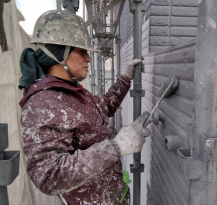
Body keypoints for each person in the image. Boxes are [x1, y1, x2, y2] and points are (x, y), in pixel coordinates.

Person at [19, 10, 150, 205]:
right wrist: (116, 147)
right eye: (81, 51)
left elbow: (102, 108)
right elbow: (48, 175)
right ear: (59, 54)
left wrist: (125, 79)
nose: (88, 58)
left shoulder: (70, 91)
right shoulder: (44, 103)